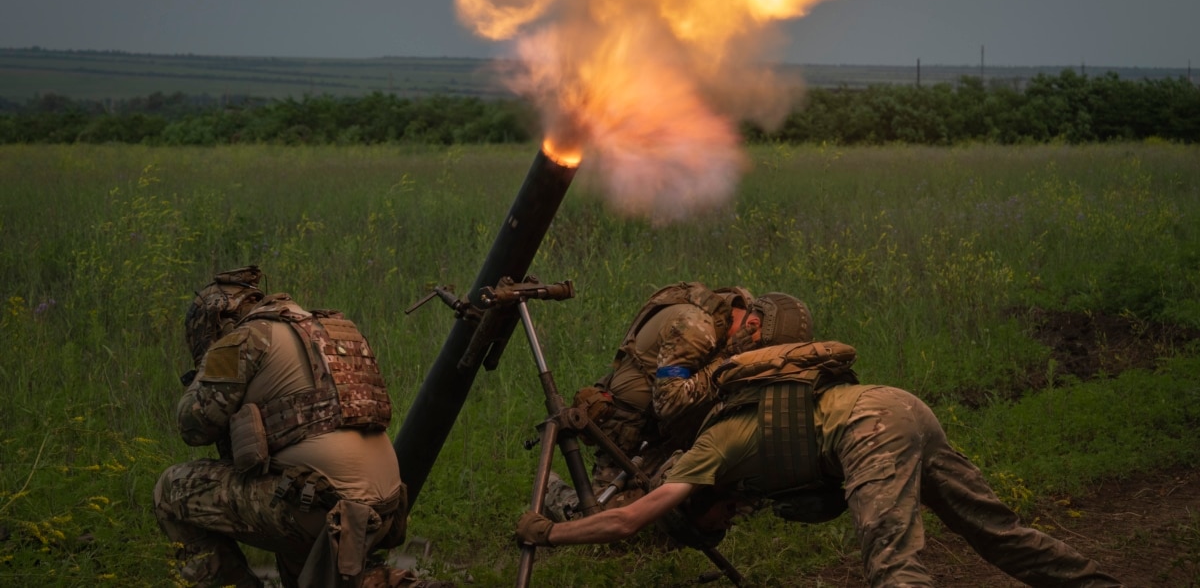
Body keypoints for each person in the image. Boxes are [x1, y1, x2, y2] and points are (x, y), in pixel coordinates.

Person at [517, 339, 1124, 587]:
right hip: (898, 407)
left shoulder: (705, 455)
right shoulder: (727, 455)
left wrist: (550, 533)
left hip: (868, 430)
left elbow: (628, 520)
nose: (732, 512)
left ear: (700, 499)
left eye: (716, 517)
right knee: (994, 532)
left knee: (893, 562)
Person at [153, 267, 423, 588]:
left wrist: (203, 374)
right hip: (385, 507)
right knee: (281, 477)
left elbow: (194, 426)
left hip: (321, 506)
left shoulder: (245, 337)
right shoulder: (331, 329)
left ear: (217, 321)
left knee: (172, 490)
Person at [546, 283, 812, 520]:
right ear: (753, 326)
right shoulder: (696, 328)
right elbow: (669, 403)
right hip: (634, 430)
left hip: (674, 427)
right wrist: (729, 362)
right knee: (602, 520)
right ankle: (550, 489)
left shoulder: (741, 315)